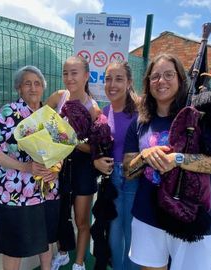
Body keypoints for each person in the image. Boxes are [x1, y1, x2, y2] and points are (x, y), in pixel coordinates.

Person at [123, 53, 211, 270]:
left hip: (195, 218)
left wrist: (178, 159)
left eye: (168, 74)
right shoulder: (140, 122)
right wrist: (144, 156)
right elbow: (128, 171)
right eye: (155, 76)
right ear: (147, 83)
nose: (161, 81)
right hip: (149, 216)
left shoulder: (204, 112)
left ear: (180, 79)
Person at [0, 65, 60, 270]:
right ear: (19, 88)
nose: (33, 88)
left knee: (45, 237)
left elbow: (59, 149)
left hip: (46, 188)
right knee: (14, 244)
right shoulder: (8, 112)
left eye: (37, 84)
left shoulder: (49, 116)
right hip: (15, 192)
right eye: (27, 83)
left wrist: (56, 168)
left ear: (43, 88)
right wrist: (25, 167)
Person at [46, 56, 100, 270]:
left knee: (81, 220)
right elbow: (36, 118)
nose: (69, 78)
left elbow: (94, 148)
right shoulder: (58, 97)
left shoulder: (93, 109)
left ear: (86, 76)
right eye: (66, 73)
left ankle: (79, 263)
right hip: (59, 165)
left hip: (82, 168)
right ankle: (62, 254)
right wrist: (2, 116)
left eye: (74, 73)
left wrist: (72, 141)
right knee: (60, 216)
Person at [93, 60, 139, 270]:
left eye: (119, 79)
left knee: (131, 234)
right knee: (113, 233)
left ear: (129, 82)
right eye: (108, 79)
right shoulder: (104, 111)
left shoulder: (141, 112)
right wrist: (97, 161)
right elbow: (96, 146)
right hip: (112, 181)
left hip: (134, 179)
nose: (112, 84)